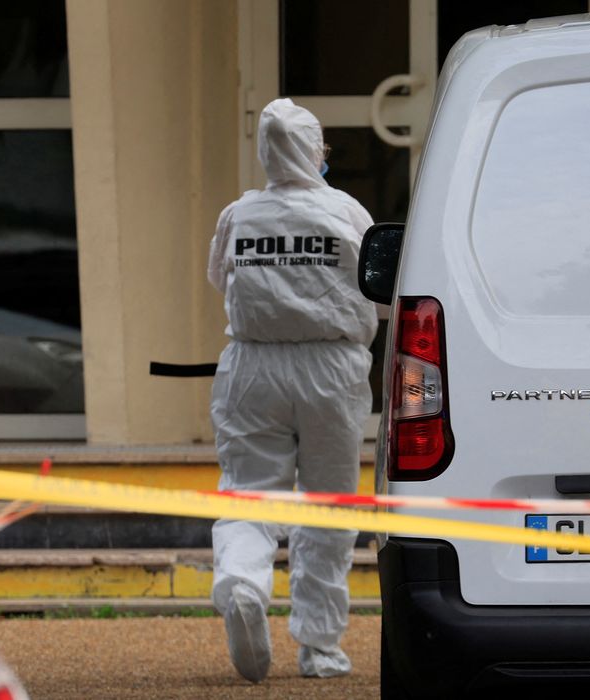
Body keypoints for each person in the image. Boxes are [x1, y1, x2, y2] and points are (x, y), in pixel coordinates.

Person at [207, 98, 376, 683]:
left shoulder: (239, 215)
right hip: (333, 368)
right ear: (315, 150)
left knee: (249, 495)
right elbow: (379, 283)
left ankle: (243, 584)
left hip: (253, 367)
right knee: (329, 505)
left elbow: (218, 281)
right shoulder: (347, 211)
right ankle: (321, 647)